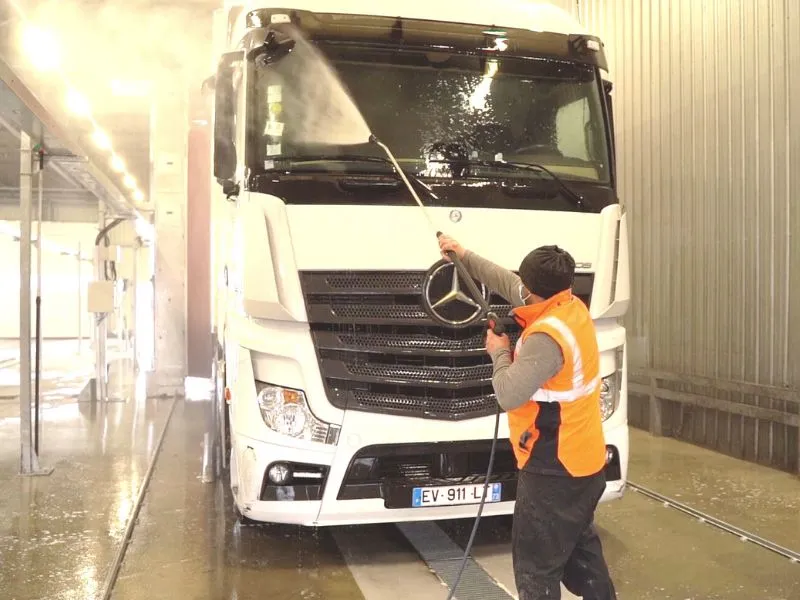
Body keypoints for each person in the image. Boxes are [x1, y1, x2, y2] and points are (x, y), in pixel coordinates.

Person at [438, 234, 617, 600]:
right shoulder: (569, 308)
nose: (517, 285)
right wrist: (462, 255)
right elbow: (504, 281)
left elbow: (508, 393)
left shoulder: (546, 339)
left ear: (533, 286)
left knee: (536, 568)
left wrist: (499, 352)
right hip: (584, 463)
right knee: (581, 552)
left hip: (554, 469)